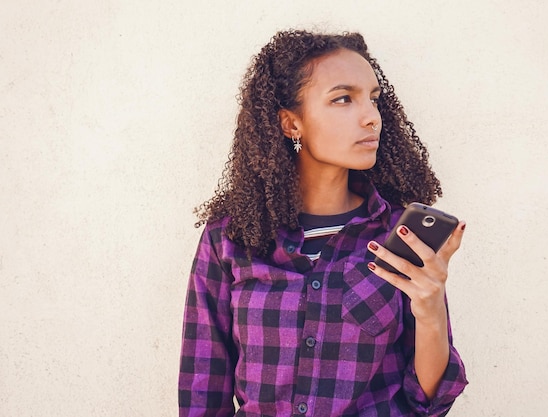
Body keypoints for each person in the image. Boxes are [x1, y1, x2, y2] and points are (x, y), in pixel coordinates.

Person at [179, 29, 468, 417]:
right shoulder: (230, 239)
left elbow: (429, 401)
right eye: (344, 99)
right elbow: (203, 390)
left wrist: (431, 309)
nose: (371, 118)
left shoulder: (401, 234)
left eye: (374, 99)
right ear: (290, 124)